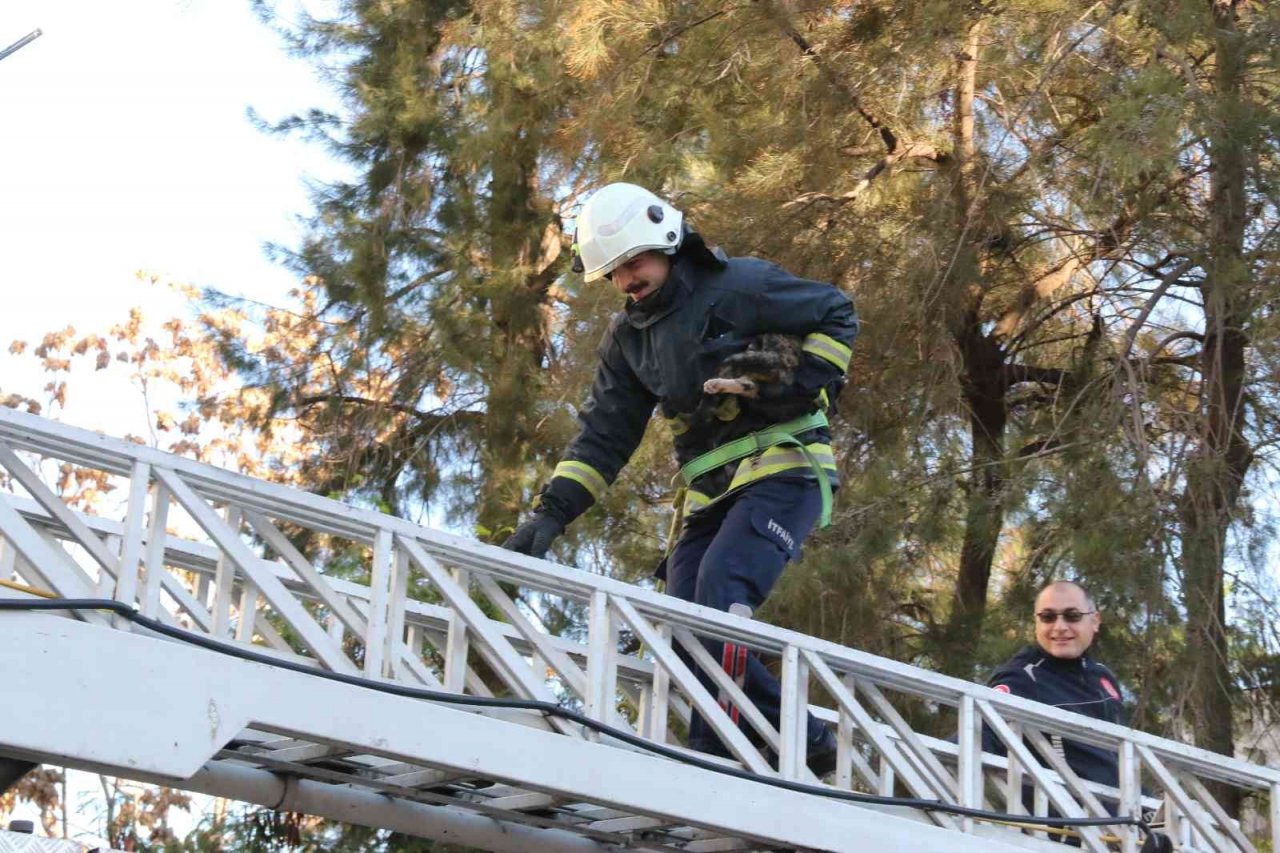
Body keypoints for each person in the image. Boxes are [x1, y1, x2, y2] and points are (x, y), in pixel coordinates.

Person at [503, 182, 858, 774]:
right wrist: (550, 515)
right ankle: (727, 748)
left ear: (667, 242)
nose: (625, 282)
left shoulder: (742, 285)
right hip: (714, 491)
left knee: (722, 585)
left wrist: (804, 382)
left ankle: (780, 742)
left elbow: (834, 311)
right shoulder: (629, 340)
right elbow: (604, 437)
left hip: (786, 469)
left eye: (632, 264)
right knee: (684, 609)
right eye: (613, 272)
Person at [983, 580, 1126, 800]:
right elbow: (980, 731)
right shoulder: (1021, 676)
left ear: (1094, 621)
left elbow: (1118, 762)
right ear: (1036, 622)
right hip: (1058, 825)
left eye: (1072, 616)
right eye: (1048, 617)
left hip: (1115, 824)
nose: (1059, 627)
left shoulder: (1103, 677)